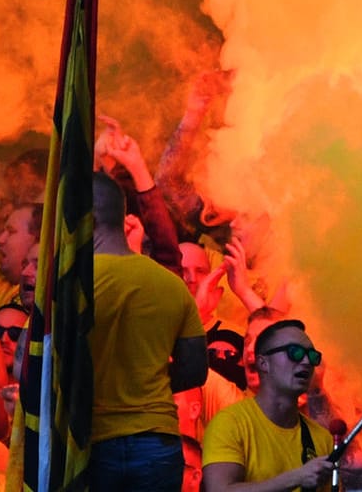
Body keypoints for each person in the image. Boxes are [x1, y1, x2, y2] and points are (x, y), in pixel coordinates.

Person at [89, 172, 208, 492]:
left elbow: (29, 364)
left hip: (93, 440)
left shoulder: (68, 285)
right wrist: (147, 382)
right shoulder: (172, 285)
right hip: (158, 440)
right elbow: (196, 369)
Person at [200, 320, 336, 492]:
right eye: (295, 352)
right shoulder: (229, 424)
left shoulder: (322, 438)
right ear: (263, 363)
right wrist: (296, 477)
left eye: (313, 356)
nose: (306, 361)